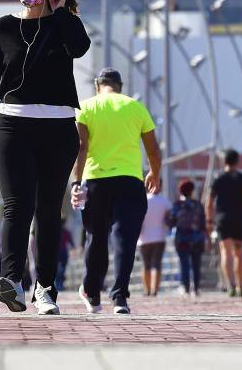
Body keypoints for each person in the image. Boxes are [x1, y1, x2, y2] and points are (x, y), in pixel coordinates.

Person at [0, 0, 90, 315]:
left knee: (48, 211)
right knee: (17, 206)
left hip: (58, 128)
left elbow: (80, 48)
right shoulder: (3, 27)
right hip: (12, 127)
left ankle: (45, 289)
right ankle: (12, 280)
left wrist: (60, 11)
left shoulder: (64, 23)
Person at [72, 68, 161, 315]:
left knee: (96, 238)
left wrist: (76, 183)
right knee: (125, 239)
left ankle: (91, 291)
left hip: (96, 181)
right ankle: (120, 297)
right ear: (120, 86)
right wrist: (154, 173)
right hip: (130, 181)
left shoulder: (85, 107)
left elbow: (81, 147)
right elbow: (153, 149)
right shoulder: (136, 107)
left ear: (97, 85)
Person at [207, 148, 242, 297]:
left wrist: (209, 220)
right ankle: (240, 286)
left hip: (223, 219)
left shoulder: (218, 179)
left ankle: (230, 285)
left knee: (225, 252)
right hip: (239, 218)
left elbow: (209, 201)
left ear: (224, 161)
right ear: (237, 161)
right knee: (239, 253)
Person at [170, 180, 207, 296]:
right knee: (196, 264)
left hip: (182, 239)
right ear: (192, 191)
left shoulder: (177, 205)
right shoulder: (198, 205)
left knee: (184, 264)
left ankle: (185, 287)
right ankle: (196, 288)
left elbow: (171, 221)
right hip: (197, 238)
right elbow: (203, 223)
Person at [138, 180, 172, 297]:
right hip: (159, 237)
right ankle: (154, 290)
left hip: (143, 238)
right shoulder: (165, 201)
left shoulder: (142, 200)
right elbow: (170, 219)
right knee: (156, 264)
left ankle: (146, 290)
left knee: (145, 264)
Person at [55, 219, 74, 291]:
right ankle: (59, 285)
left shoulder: (64, 232)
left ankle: (59, 285)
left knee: (59, 270)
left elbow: (71, 243)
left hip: (60, 253)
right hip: (62, 253)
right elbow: (72, 243)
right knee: (60, 270)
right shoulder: (66, 232)